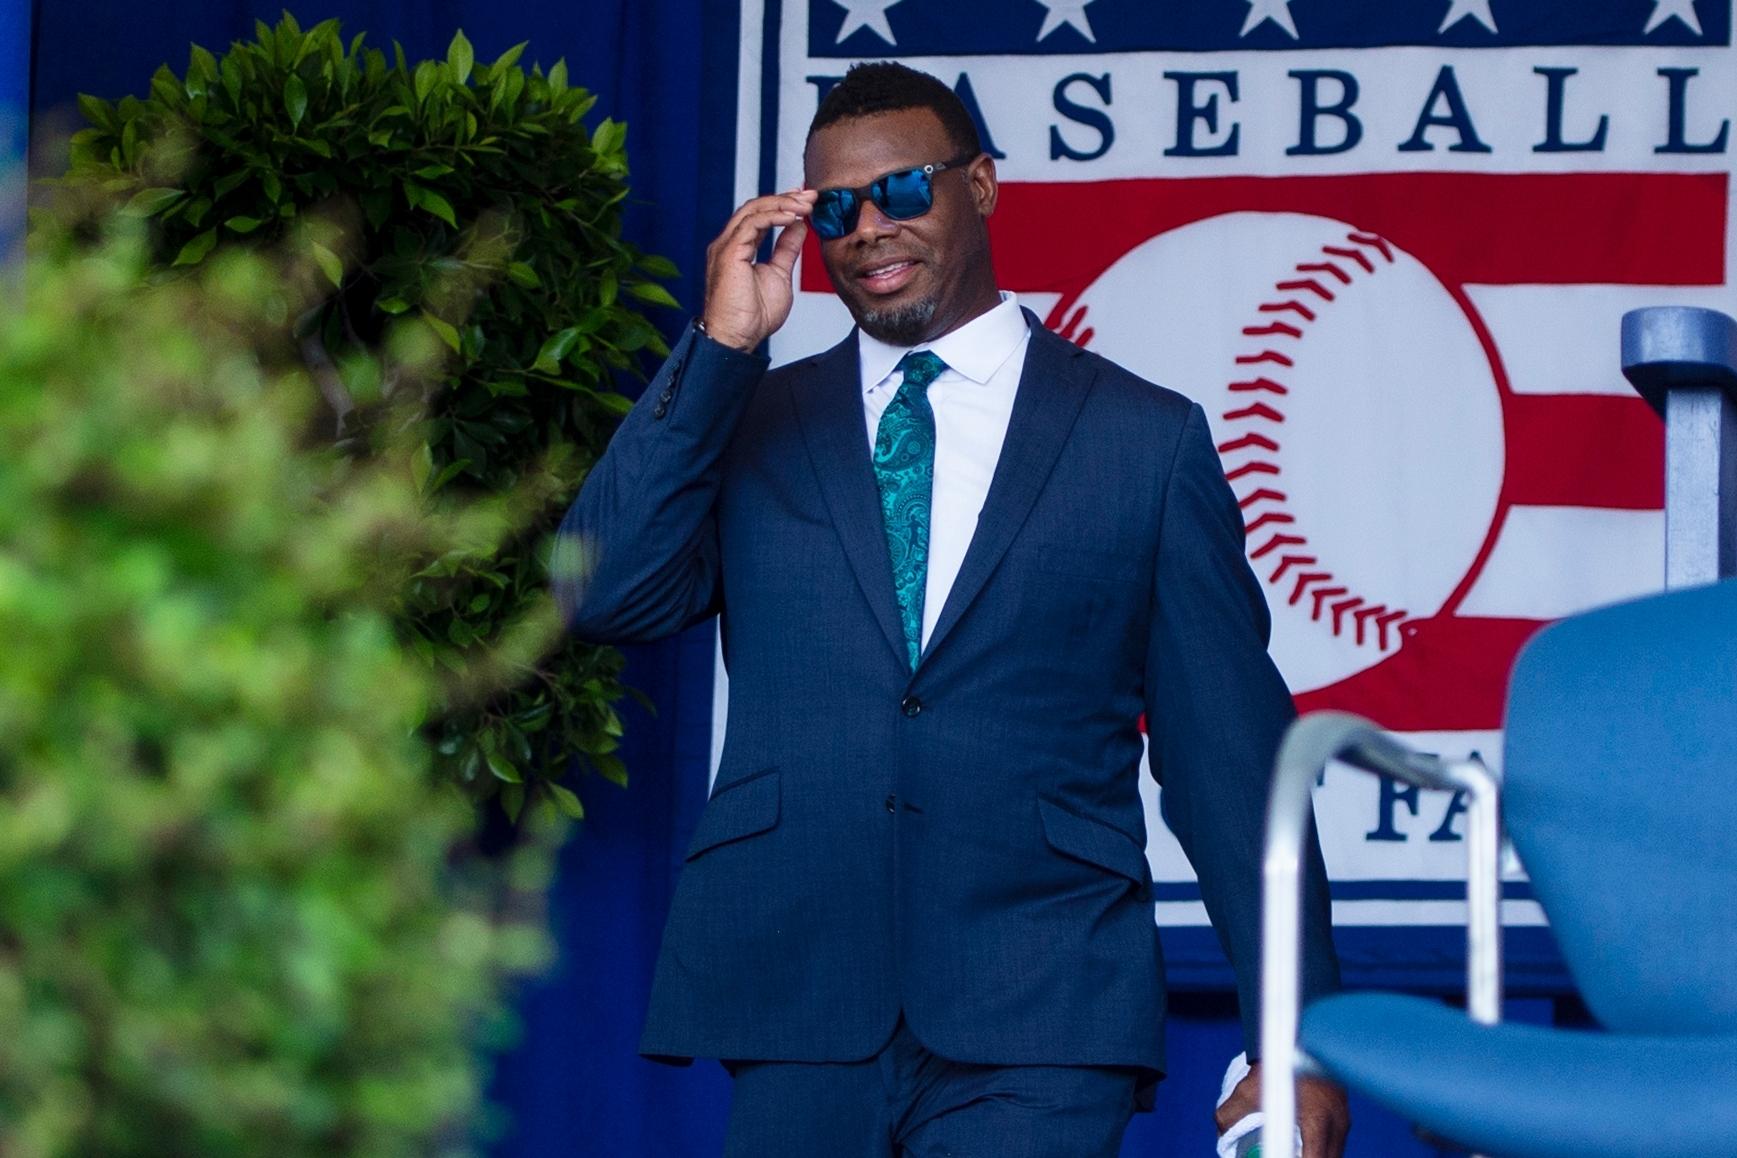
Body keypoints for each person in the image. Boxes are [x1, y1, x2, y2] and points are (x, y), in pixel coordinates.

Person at [554, 61, 1347, 1158]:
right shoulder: (748, 420)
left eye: (903, 190)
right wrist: (723, 345)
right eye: (834, 207)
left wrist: (1293, 1038)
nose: (868, 227)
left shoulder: (1144, 444)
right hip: (798, 994)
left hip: (1045, 1004)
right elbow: (598, 591)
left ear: (980, 186)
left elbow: (1233, 763)